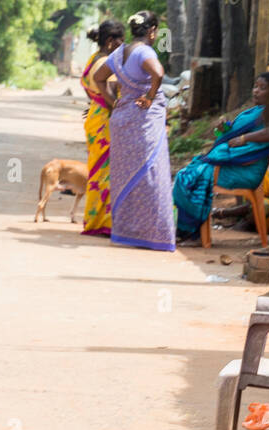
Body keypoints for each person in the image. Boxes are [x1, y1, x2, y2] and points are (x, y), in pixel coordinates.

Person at [87, 11, 175, 251]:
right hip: (144, 121)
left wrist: (112, 102)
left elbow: (99, 77)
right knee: (152, 174)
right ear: (152, 31)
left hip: (122, 119)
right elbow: (158, 73)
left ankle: (128, 231)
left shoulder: (120, 52)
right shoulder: (144, 52)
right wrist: (148, 96)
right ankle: (153, 233)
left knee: (126, 176)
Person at [173, 73, 269, 241]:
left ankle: (190, 230)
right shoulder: (254, 112)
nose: (256, 91)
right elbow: (232, 134)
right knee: (187, 173)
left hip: (245, 171)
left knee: (187, 178)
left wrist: (244, 138)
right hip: (233, 167)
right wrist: (224, 128)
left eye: (263, 88)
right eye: (255, 86)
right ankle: (190, 230)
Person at [78, 20, 125, 237]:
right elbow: (111, 97)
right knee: (105, 171)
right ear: (109, 41)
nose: (123, 45)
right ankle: (101, 222)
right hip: (104, 119)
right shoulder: (105, 63)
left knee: (99, 168)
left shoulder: (93, 59)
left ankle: (96, 218)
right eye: (120, 41)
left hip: (94, 117)